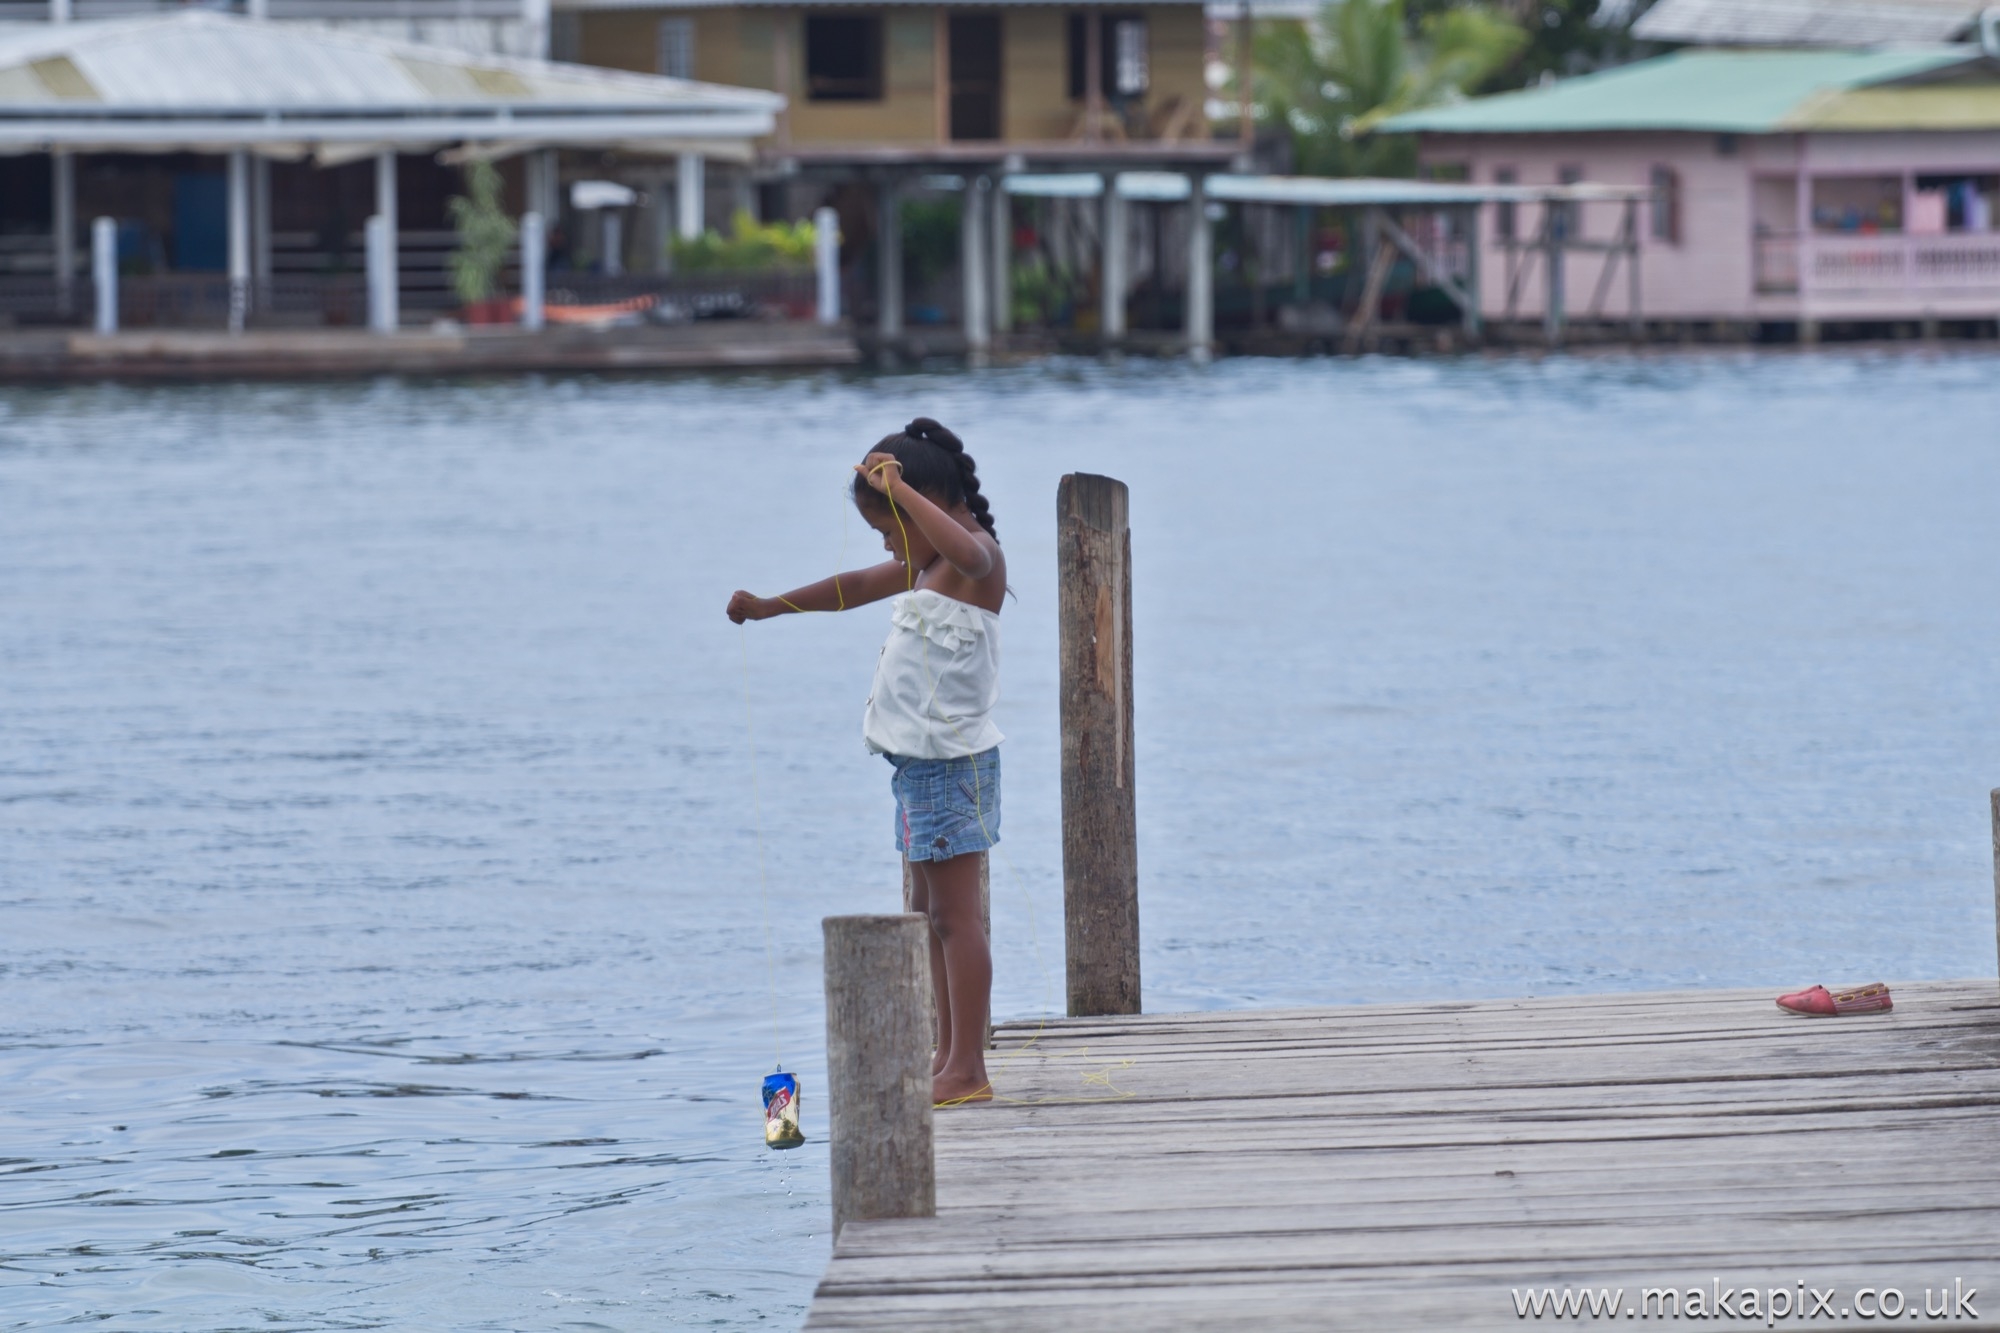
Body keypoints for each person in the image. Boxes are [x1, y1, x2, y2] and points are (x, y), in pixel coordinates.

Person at [727, 418, 1005, 1107]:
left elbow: (968, 557)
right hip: (916, 765)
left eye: (889, 527)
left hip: (951, 762)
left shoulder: (976, 557)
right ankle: (945, 1051)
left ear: (925, 504)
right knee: (926, 911)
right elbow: (852, 585)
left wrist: (903, 495)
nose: (886, 543)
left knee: (955, 916)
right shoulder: (926, 560)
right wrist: (770, 608)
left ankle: (968, 1064)